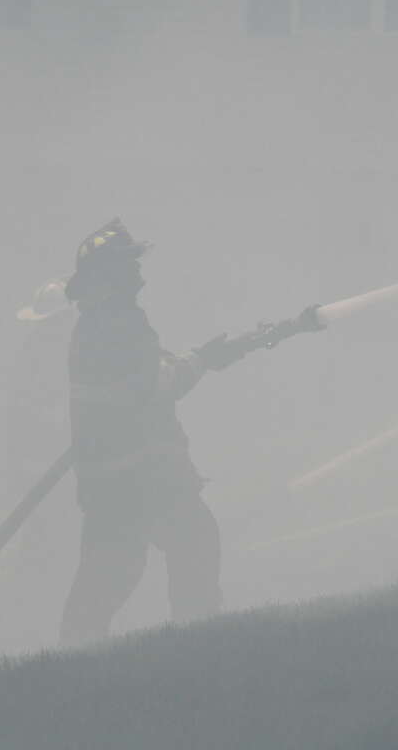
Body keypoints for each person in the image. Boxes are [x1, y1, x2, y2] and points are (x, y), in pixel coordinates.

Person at [58, 221, 250, 644]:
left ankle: (73, 659)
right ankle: (196, 646)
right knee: (190, 547)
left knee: (109, 580)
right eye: (130, 268)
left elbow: (144, 375)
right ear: (108, 276)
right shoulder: (116, 325)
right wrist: (202, 361)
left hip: (119, 482)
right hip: (141, 479)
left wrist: (198, 358)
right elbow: (151, 387)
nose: (140, 277)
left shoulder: (101, 324)